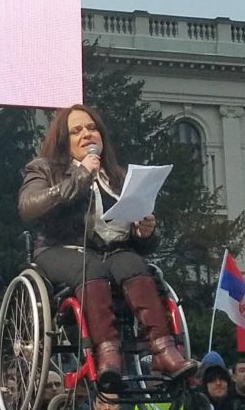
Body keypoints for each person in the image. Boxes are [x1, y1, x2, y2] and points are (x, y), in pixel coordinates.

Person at [17, 104, 196, 387]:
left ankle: (164, 350)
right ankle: (107, 354)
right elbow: (29, 206)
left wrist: (145, 232)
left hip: (111, 252)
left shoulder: (118, 176)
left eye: (92, 128)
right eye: (76, 131)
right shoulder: (44, 168)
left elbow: (139, 242)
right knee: (92, 268)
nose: (87, 134)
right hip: (60, 249)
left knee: (134, 264)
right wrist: (80, 176)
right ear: (64, 140)